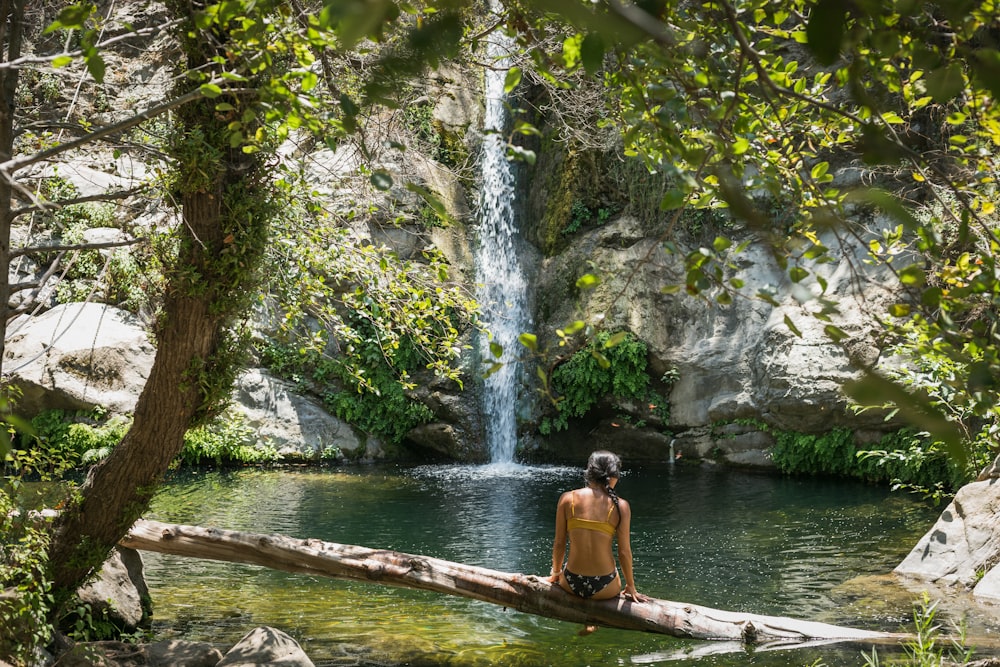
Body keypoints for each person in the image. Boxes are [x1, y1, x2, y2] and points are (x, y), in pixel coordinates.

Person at [547, 450, 648, 633]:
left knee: (572, 568)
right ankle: (593, 620)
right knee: (609, 570)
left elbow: (559, 543)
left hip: (570, 583)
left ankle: (587, 619)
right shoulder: (620, 506)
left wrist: (555, 574)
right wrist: (631, 586)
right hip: (605, 587)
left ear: (589, 472)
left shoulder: (567, 499)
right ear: (613, 475)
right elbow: (624, 552)